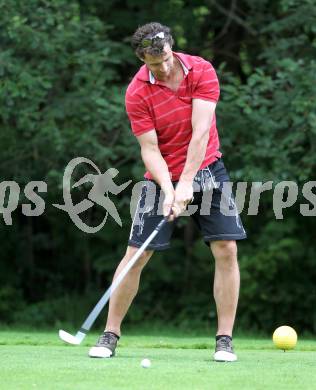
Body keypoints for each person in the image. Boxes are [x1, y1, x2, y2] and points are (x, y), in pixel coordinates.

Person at [89, 22, 246, 362]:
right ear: (141, 58)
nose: (160, 69)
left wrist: (187, 182)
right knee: (137, 254)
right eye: (152, 64)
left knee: (226, 249)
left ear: (171, 49)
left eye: (164, 60)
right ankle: (110, 334)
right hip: (161, 174)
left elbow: (201, 131)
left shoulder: (201, 70)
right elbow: (150, 149)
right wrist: (167, 187)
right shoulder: (137, 92)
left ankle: (224, 339)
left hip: (207, 168)